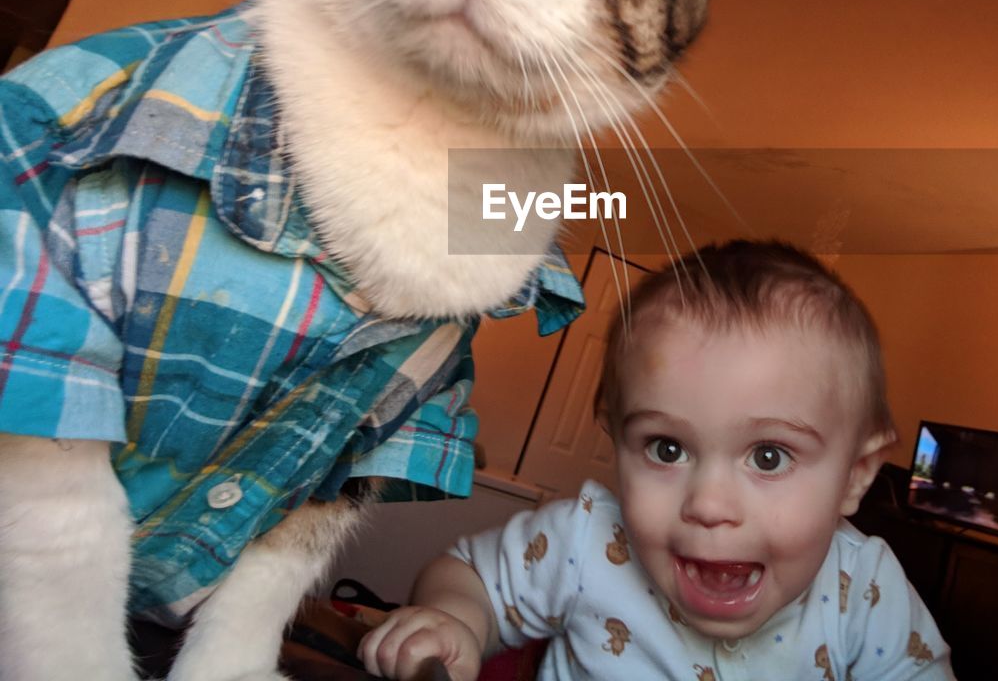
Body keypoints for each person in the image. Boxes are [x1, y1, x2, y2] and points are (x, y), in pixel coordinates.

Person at [359, 241, 955, 680]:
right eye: (667, 449)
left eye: (769, 457)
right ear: (616, 438)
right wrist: (454, 620)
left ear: (855, 477)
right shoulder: (585, 541)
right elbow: (466, 574)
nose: (709, 505)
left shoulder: (864, 590)